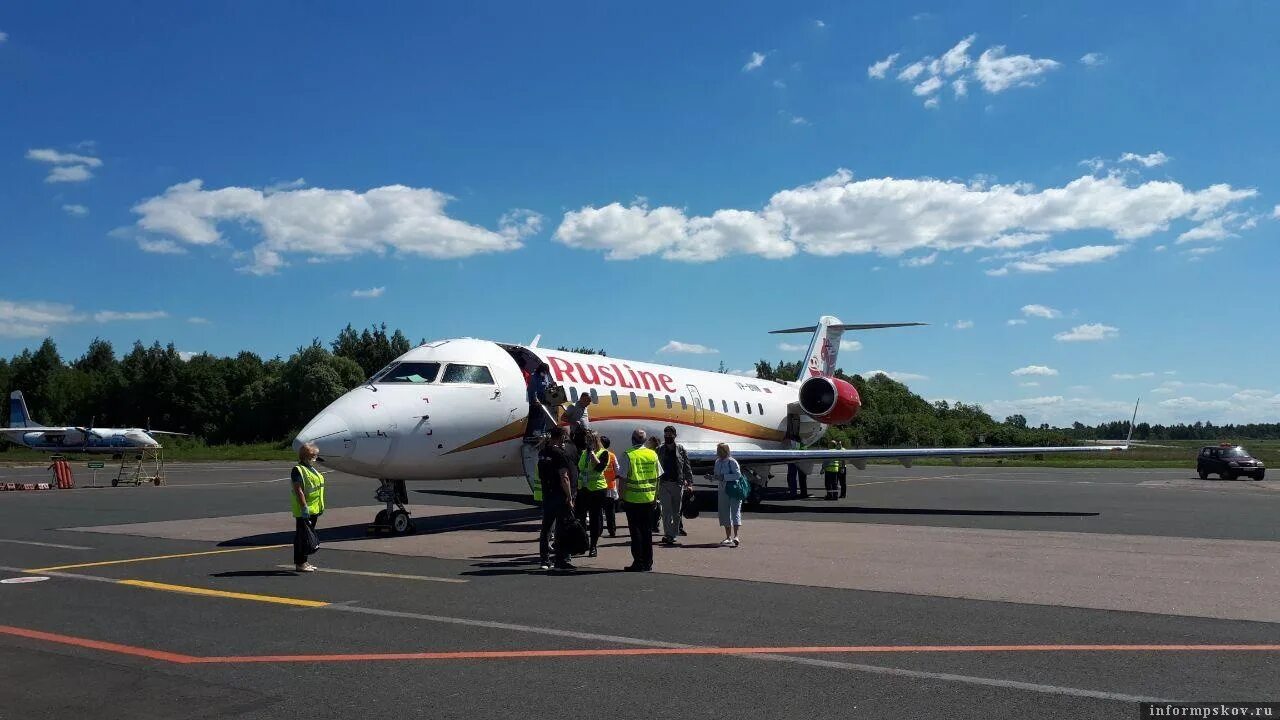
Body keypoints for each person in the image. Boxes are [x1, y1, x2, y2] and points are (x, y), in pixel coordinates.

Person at [616, 428, 661, 572]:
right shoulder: (652, 454)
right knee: (647, 532)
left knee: (635, 532)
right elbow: (658, 477)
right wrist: (655, 496)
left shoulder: (628, 455)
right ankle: (648, 562)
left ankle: (638, 562)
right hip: (648, 498)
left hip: (633, 499)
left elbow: (622, 479)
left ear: (632, 439)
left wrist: (621, 498)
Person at [537, 426, 578, 571]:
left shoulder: (542, 452)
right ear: (560, 437)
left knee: (546, 528)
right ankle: (561, 559)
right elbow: (564, 477)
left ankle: (544, 559)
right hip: (560, 495)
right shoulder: (560, 454)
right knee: (562, 527)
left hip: (547, 494)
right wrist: (569, 496)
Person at [291, 442, 326, 572]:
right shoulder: (298, 470)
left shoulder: (312, 469)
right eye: (315, 456)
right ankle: (300, 563)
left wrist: (320, 506)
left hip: (314, 508)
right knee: (302, 537)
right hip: (304, 510)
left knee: (307, 537)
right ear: (308, 456)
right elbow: (298, 490)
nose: (316, 458)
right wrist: (304, 507)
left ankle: (304, 562)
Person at [656, 425, 694, 545]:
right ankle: (668, 534)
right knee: (666, 511)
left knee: (676, 511)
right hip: (664, 483)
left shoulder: (681, 449)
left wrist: (690, 482)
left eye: (670, 435)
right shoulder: (660, 449)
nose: (667, 437)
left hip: (677, 483)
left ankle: (673, 533)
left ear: (674, 436)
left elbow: (687, 466)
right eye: (666, 435)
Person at [575, 430, 610, 557]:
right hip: (583, 489)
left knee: (595, 518)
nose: (588, 443)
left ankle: (593, 546)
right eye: (587, 441)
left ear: (596, 441)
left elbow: (599, 467)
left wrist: (592, 454)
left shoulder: (604, 453)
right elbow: (580, 468)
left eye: (590, 441)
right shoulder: (584, 453)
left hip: (597, 490)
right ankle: (583, 543)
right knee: (580, 517)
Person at [713, 443, 743, 546]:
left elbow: (737, 475)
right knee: (724, 512)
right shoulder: (717, 462)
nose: (718, 453)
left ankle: (736, 536)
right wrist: (712, 478)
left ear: (726, 451)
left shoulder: (732, 462)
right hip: (722, 490)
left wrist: (724, 477)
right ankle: (728, 537)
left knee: (735, 512)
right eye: (718, 450)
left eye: (720, 450)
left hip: (734, 490)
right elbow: (717, 476)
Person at [525, 362, 554, 440]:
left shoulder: (545, 377)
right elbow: (532, 389)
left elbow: (547, 386)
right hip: (535, 401)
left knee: (543, 416)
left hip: (543, 399)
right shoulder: (534, 377)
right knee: (536, 416)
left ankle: (542, 431)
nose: (544, 373)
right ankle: (535, 432)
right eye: (544, 371)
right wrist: (535, 400)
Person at [600, 435, 620, 537]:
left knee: (599, 509)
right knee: (610, 511)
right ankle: (612, 530)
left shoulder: (596, 455)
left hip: (599, 486)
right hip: (610, 487)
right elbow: (617, 470)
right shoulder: (612, 455)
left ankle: (599, 530)